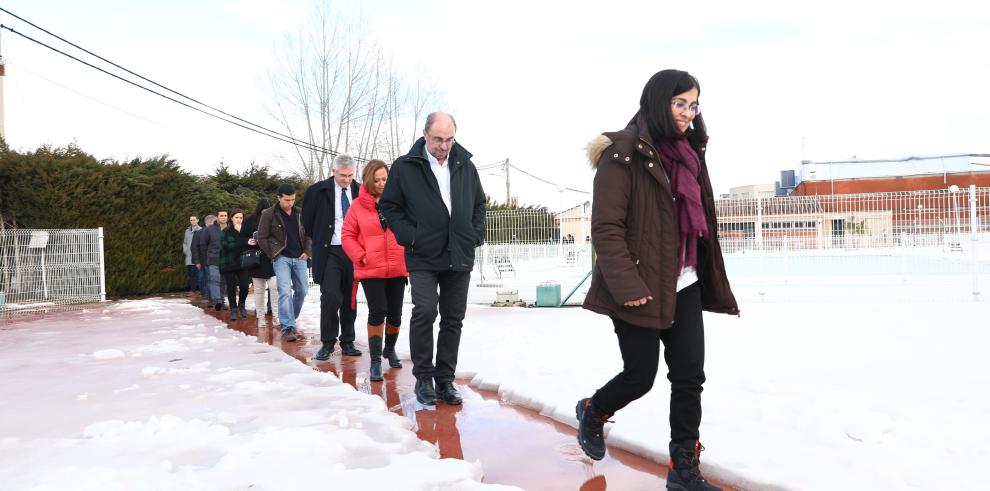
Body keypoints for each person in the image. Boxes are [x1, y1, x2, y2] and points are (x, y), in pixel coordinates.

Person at [577, 69, 739, 491]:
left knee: (689, 377)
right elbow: (607, 228)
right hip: (639, 287)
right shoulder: (623, 154)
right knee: (640, 376)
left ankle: (683, 468)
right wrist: (628, 287)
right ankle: (594, 411)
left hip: (684, 283)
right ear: (657, 102)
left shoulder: (690, 152)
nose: (688, 113)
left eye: (694, 104)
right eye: (679, 103)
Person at [379, 112, 486, 406]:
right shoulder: (405, 166)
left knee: (453, 318)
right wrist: (409, 236)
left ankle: (445, 381)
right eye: (438, 139)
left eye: (449, 139)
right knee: (425, 311)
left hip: (459, 251)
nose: (443, 145)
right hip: (422, 253)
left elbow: (479, 204)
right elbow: (388, 206)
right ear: (425, 134)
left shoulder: (465, 164)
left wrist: (474, 235)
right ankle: (424, 378)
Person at [341, 159, 409, 381]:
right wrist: (360, 256)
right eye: (377, 180)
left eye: (385, 179)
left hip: (398, 266)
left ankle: (390, 349)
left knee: (396, 314)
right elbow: (347, 235)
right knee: (378, 311)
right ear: (368, 180)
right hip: (370, 269)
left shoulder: (399, 201)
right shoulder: (357, 206)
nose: (381, 183)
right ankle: (376, 360)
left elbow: (409, 227)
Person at [303, 154, 363, 360]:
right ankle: (328, 342)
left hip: (353, 251)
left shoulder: (360, 191)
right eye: (343, 175)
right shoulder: (317, 191)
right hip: (329, 251)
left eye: (350, 175)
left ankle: (348, 341)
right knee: (331, 296)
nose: (347, 180)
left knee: (350, 298)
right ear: (333, 171)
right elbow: (308, 221)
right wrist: (321, 238)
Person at [259, 184, 312, 342]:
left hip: (300, 258)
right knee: (285, 292)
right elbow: (261, 237)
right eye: (287, 200)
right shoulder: (269, 214)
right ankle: (288, 327)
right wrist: (274, 254)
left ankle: (290, 320)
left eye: (293, 199)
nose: (290, 203)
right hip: (281, 258)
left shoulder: (301, 213)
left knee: (302, 291)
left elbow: (309, 234)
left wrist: (308, 252)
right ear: (279, 198)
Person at [241, 199, 279, 329]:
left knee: (274, 288)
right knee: (259, 290)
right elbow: (241, 238)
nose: (265, 213)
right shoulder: (249, 220)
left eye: (267, 211)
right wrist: (248, 241)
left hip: (271, 258)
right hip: (256, 259)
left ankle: (276, 316)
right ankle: (261, 317)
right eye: (263, 211)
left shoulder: (274, 218)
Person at [220, 209, 251, 321]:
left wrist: (244, 239)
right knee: (231, 287)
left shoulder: (246, 231)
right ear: (231, 218)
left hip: (243, 263)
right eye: (236, 217)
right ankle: (233, 309)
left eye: (241, 218)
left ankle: (241, 305)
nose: (239, 220)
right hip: (228, 263)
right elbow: (227, 246)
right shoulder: (225, 232)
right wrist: (241, 239)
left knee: (244, 286)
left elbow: (248, 247)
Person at [196, 214, 224, 310]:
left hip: (222, 259)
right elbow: (200, 246)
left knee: (220, 280)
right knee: (212, 280)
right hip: (211, 259)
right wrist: (206, 256)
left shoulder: (224, 229)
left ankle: (220, 300)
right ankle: (215, 300)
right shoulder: (205, 231)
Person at [183, 215, 202, 296]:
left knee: (199, 274)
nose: (192, 221)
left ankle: (197, 290)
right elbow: (185, 243)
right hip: (189, 256)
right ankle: (194, 290)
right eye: (191, 220)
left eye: (194, 220)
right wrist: (186, 251)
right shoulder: (187, 231)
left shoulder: (201, 230)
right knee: (191, 274)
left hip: (197, 256)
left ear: (197, 220)